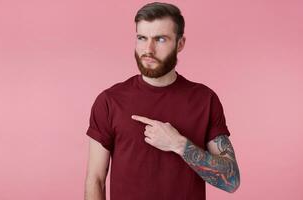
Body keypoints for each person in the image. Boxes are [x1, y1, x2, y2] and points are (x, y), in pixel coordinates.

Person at [84, 2, 240, 200]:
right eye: (142, 38)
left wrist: (180, 145)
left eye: (160, 39)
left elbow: (232, 180)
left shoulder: (204, 100)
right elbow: (95, 179)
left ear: (180, 43)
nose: (148, 49)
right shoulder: (109, 101)